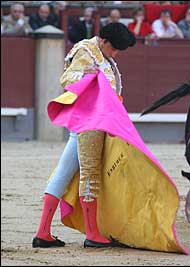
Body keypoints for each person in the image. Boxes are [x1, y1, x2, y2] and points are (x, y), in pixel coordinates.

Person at [32, 22, 136, 249]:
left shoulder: (102, 55)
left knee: (62, 173)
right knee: (90, 173)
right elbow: (67, 78)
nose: (116, 53)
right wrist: (84, 75)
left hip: (93, 121)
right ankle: (92, 233)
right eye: (115, 48)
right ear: (105, 41)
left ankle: (43, 233)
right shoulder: (86, 50)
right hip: (90, 121)